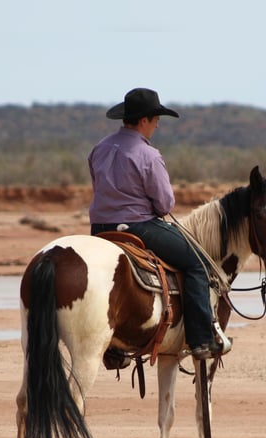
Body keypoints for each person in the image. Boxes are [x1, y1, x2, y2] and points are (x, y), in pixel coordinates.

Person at [88, 87, 232, 360]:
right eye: (156, 121)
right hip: (139, 227)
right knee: (196, 264)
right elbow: (165, 205)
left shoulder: (100, 148)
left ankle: (113, 346)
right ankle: (200, 340)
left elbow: (98, 188)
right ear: (143, 120)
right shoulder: (149, 155)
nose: (156, 126)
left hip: (100, 230)